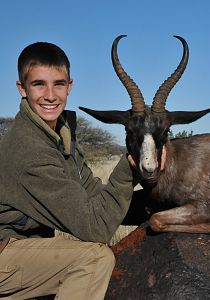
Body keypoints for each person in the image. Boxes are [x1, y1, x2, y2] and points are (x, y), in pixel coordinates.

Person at [0, 41, 165, 300]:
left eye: (58, 84)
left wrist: (162, 202)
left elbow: (95, 198)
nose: (50, 95)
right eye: (39, 84)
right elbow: (95, 228)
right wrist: (128, 166)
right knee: (95, 259)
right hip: (5, 252)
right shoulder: (29, 149)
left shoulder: (60, 134)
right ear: (22, 89)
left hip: (24, 247)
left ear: (70, 86)